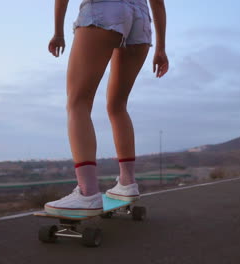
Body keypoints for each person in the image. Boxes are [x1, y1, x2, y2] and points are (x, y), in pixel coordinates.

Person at [44, 0, 169, 217]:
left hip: (103, 10)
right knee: (118, 105)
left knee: (77, 102)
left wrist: (58, 32)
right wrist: (161, 48)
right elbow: (157, 2)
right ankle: (127, 182)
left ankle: (87, 192)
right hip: (140, 18)